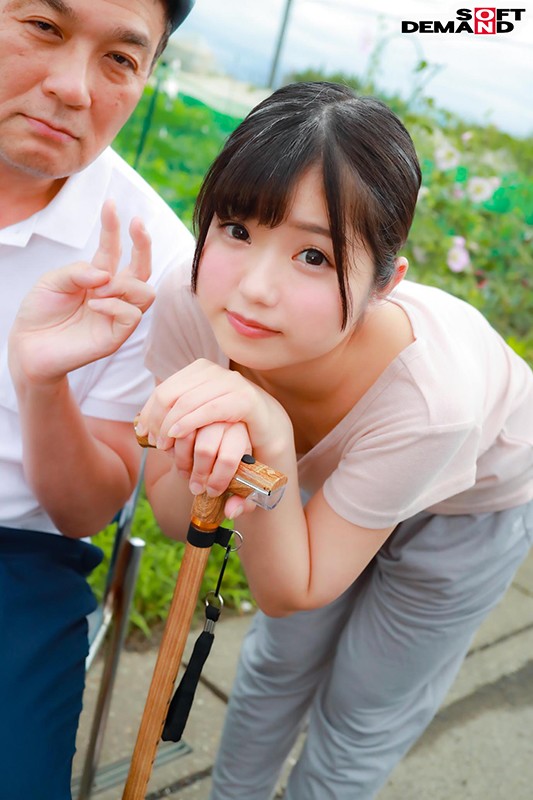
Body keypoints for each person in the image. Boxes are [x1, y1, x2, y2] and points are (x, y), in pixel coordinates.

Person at [136, 81, 533, 800]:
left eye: (314, 256)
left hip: (472, 504)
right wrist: (222, 454)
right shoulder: (190, 302)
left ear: (385, 284)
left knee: (363, 708)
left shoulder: (430, 402)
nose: (254, 289)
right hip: (341, 466)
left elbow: (296, 588)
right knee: (276, 666)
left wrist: (270, 440)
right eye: (236, 229)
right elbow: (175, 518)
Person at [0, 1, 195, 798]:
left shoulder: (153, 265)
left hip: (14, 558)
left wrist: (43, 382)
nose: (73, 88)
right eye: (43, 27)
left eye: (119, 59)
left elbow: (85, 509)